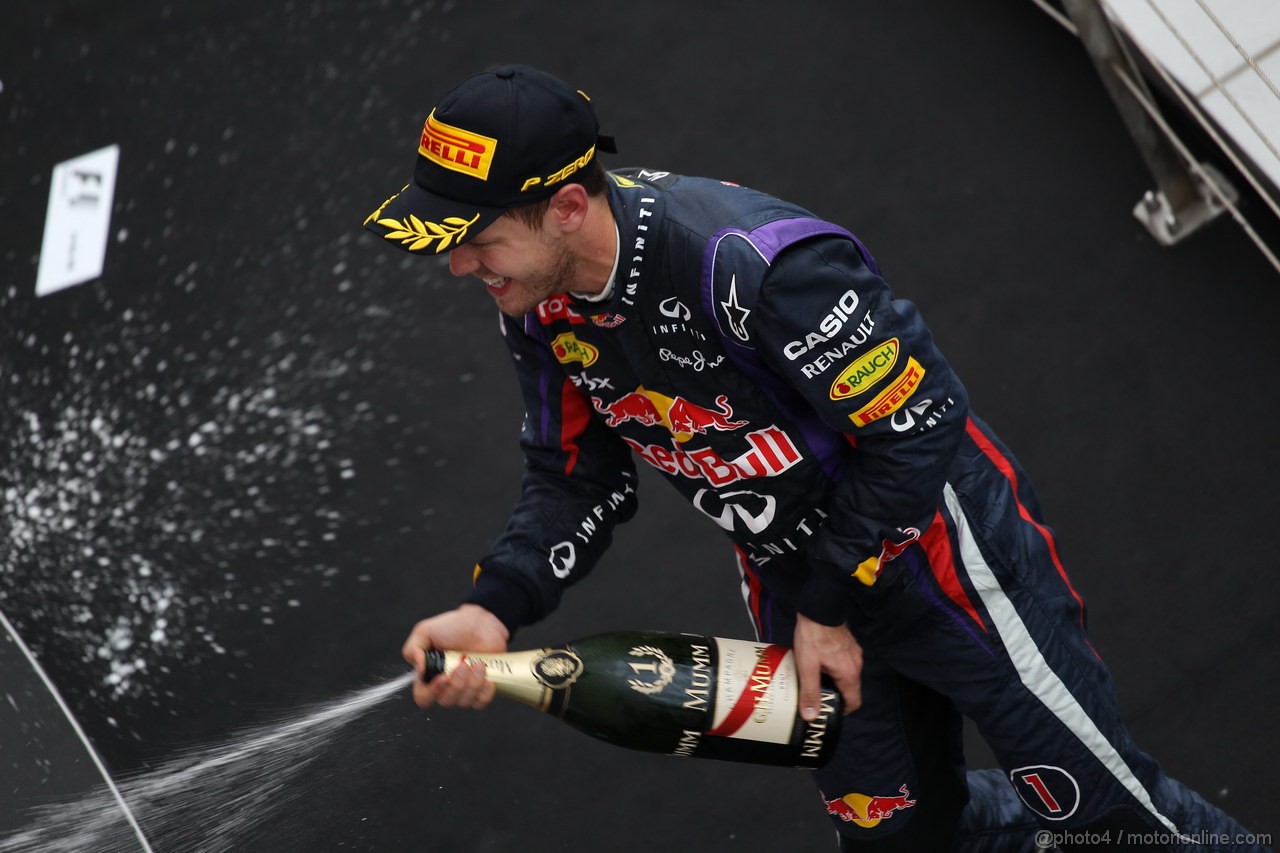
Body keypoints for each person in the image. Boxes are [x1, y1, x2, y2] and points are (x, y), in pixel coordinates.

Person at [364, 64, 1268, 851]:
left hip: (946, 565)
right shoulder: (538, 303)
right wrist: (496, 606)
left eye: (476, 241)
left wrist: (830, 601)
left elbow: (919, 422)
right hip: (800, 594)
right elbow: (575, 475)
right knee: (898, 836)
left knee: (1106, 818)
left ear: (565, 206)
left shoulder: (750, 263)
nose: (459, 267)